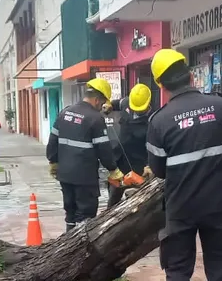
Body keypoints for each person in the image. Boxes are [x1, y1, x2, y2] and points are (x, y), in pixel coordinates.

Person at [146, 49, 222, 281]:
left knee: (178, 270)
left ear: (162, 85)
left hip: (180, 207)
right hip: (217, 204)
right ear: (189, 75)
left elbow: (158, 170)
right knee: (219, 267)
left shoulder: (159, 122)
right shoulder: (219, 105)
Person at [46, 78, 124, 231]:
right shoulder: (95, 119)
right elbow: (104, 149)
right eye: (102, 104)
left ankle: (67, 247)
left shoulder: (65, 112)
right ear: (96, 100)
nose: (102, 107)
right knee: (85, 216)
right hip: (85, 179)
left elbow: (53, 140)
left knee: (70, 213)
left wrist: (53, 161)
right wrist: (113, 169)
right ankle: (80, 251)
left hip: (65, 176)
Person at [107, 84, 154, 208]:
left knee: (138, 205)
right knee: (113, 201)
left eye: (140, 109)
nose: (137, 110)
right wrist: (109, 105)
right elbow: (117, 103)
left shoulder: (153, 119)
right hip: (120, 162)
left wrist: (149, 165)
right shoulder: (126, 103)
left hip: (140, 167)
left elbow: (154, 145)